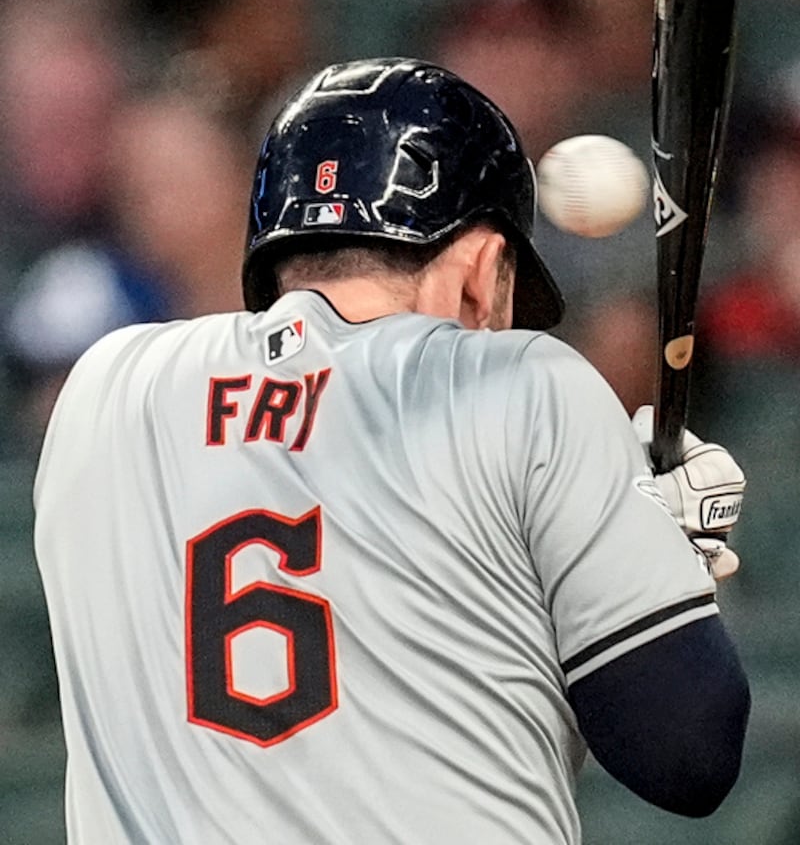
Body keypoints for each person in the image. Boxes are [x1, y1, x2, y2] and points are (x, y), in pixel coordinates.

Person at [32, 58, 750, 842]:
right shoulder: (522, 381)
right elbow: (684, 755)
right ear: (481, 269)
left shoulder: (104, 390)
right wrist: (654, 558)